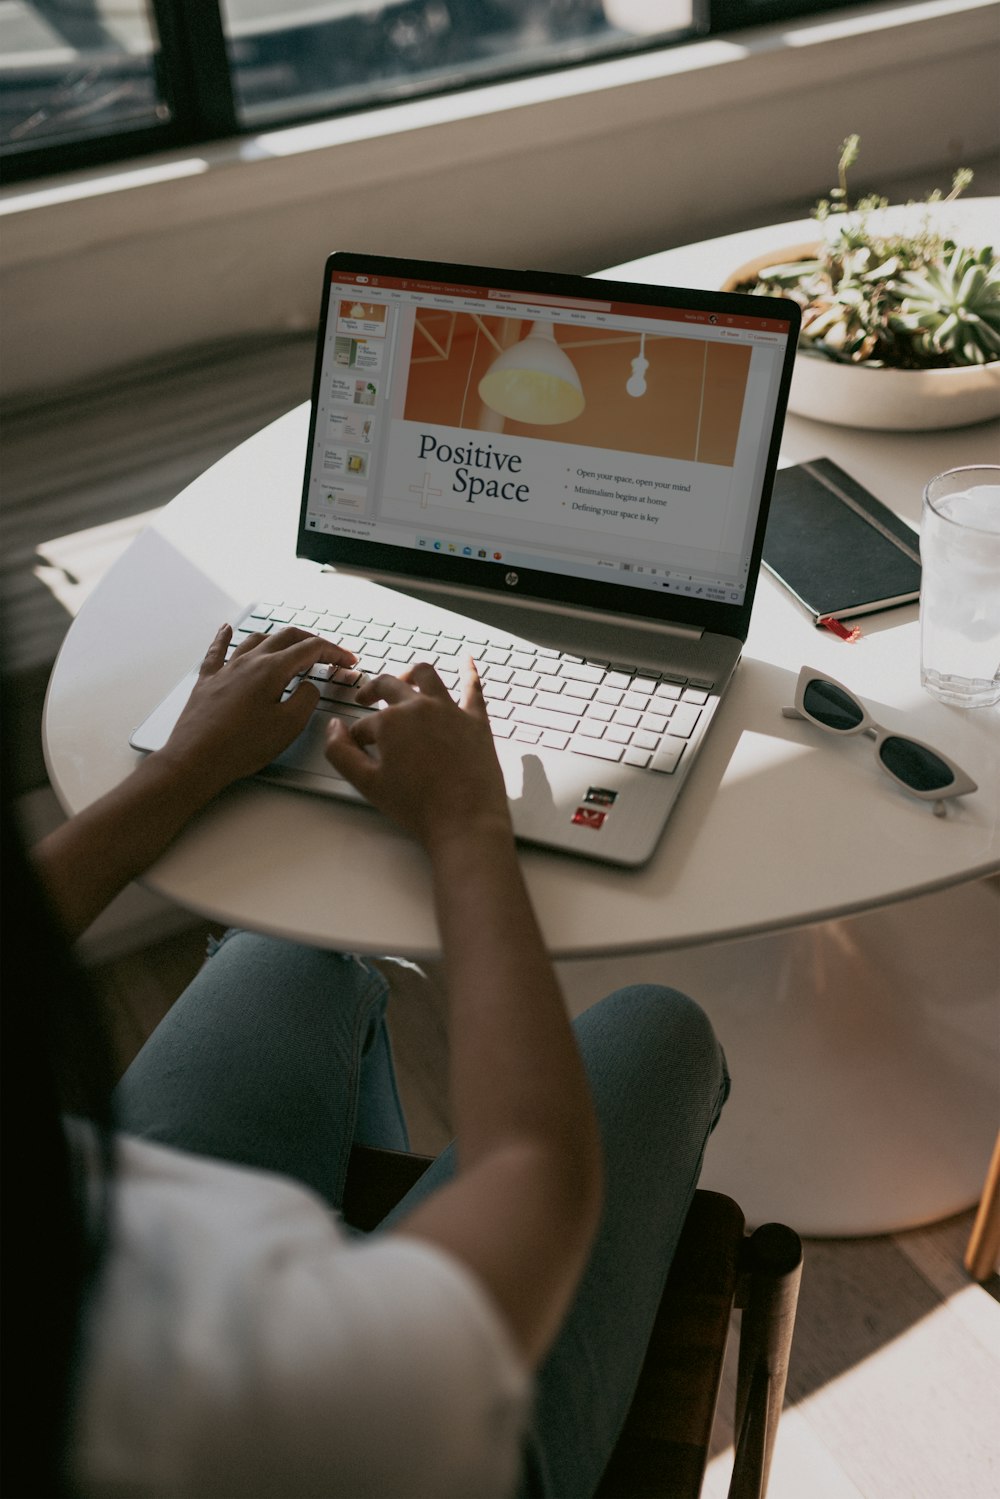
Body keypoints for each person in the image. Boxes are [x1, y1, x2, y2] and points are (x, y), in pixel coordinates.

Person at [1, 622, 729, 1499]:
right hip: (401, 1421)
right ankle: (391, 1248)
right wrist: (466, 824)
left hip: (151, 1238)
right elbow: (537, 1174)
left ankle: (363, 1214)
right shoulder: (225, 1405)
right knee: (660, 1027)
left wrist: (181, 768)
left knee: (287, 944)